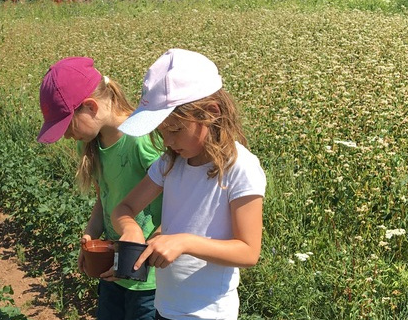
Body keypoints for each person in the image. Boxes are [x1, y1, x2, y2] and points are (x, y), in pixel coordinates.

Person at [111, 49, 266, 320]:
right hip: (166, 307)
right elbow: (124, 208)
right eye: (162, 132)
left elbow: (248, 251)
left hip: (208, 313)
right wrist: (131, 229)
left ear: (211, 113)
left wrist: (184, 242)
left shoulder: (239, 167)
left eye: (175, 129)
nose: (168, 142)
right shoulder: (170, 163)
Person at [36, 57, 162, 320]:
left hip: (148, 278)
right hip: (112, 270)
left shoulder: (141, 141)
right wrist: (91, 235)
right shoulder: (91, 144)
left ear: (91, 107)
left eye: (67, 126)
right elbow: (104, 199)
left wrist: (134, 257)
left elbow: (179, 202)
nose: (66, 136)